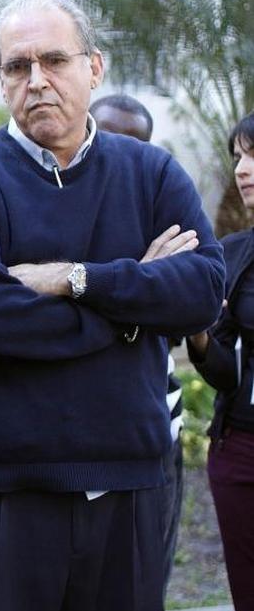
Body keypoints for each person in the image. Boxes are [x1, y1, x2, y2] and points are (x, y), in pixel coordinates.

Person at [0, 0, 224, 611]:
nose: (36, 81)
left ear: (95, 67)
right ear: (2, 80)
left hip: (129, 486)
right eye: (17, 66)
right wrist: (136, 308)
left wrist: (77, 279)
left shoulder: (154, 174)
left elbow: (201, 294)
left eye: (54, 60)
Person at [90, 92, 186, 597]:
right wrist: (141, 280)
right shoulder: (60, 208)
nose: (121, 155)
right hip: (72, 436)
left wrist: (98, 288)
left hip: (153, 427)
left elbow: (184, 308)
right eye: (107, 138)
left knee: (142, 581)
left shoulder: (163, 218)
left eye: (136, 145)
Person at [187, 111, 254, 611]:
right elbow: (227, 373)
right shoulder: (233, 254)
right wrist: (199, 333)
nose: (243, 170)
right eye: (238, 157)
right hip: (240, 448)